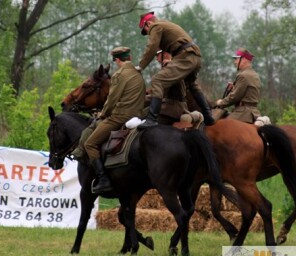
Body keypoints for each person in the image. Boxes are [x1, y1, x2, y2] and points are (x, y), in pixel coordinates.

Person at [82, 46, 146, 194]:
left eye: (116, 61)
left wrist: (103, 114)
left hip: (121, 116)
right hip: (138, 114)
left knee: (90, 143)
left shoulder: (119, 75)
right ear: (129, 58)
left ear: (117, 60)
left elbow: (112, 98)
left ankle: (103, 179)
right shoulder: (138, 74)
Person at [136, 11, 215, 128]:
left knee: (158, 80)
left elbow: (152, 47)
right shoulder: (166, 24)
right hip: (195, 56)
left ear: (148, 23)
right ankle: (208, 116)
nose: (148, 34)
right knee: (192, 85)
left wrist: (140, 66)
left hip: (184, 55)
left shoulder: (155, 26)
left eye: (145, 30)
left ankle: (151, 119)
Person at [215, 48, 261, 123]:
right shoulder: (255, 75)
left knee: (220, 126)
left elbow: (234, 97)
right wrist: (234, 88)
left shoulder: (243, 75)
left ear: (244, 59)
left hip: (243, 113)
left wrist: (220, 103)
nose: (235, 62)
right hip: (254, 113)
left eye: (236, 59)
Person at [154, 49, 190, 125]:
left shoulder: (171, 69)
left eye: (157, 55)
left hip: (171, 109)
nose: (156, 59)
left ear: (165, 54)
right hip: (177, 107)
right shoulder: (172, 68)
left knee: (149, 123)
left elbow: (159, 94)